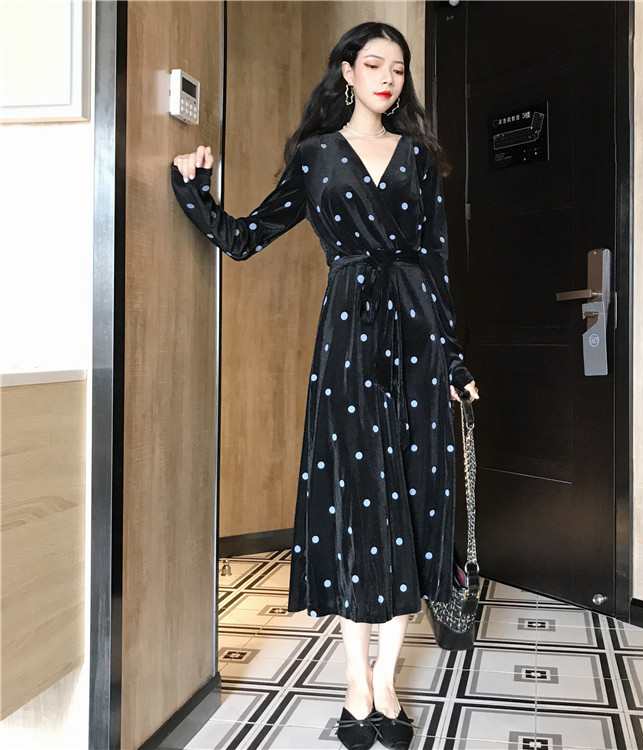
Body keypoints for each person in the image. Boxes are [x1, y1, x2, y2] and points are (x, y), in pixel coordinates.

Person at [171, 21, 478, 750]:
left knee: (414, 498)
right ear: (346, 71)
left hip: (418, 337)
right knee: (358, 501)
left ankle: (387, 681)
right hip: (347, 341)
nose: (388, 78)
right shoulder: (314, 155)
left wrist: (455, 362)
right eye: (373, 64)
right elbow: (244, 237)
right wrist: (193, 188)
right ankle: (353, 680)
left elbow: (437, 264)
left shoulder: (420, 156)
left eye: (398, 68)